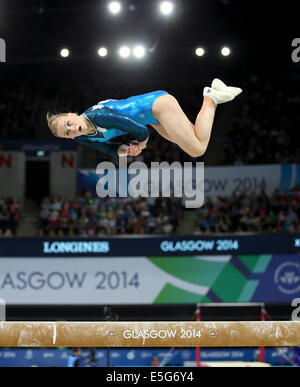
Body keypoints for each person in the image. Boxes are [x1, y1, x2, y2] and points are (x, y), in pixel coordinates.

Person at [47, 79, 242, 159]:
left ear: (73, 114)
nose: (72, 129)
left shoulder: (99, 117)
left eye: (68, 123)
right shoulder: (84, 137)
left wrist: (139, 144)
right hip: (152, 117)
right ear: (69, 139)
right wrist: (126, 150)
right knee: (196, 139)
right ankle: (212, 96)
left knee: (197, 149)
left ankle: (211, 97)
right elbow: (109, 148)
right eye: (67, 133)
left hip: (158, 105)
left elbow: (141, 132)